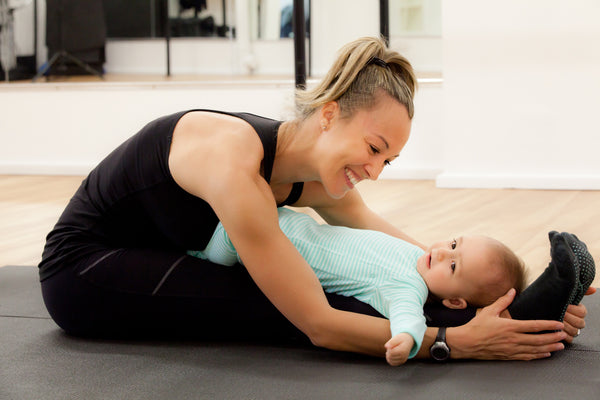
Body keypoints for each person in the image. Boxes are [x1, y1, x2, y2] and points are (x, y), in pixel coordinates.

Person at [38, 36, 590, 361]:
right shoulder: (236, 164)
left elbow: (400, 253)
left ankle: (522, 317)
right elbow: (318, 323)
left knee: (371, 282)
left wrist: (483, 284)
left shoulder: (313, 170)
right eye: (373, 148)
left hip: (165, 250)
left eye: (387, 161)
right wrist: (456, 342)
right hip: (83, 270)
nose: (374, 171)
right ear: (329, 114)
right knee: (278, 305)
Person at [188, 207, 528, 365]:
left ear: (455, 301)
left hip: (249, 241)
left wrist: (406, 340)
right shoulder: (416, 254)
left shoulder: (409, 288)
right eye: (453, 243)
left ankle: (196, 252)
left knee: (215, 253)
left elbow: (409, 317)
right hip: (282, 218)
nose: (440, 252)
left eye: (453, 265)